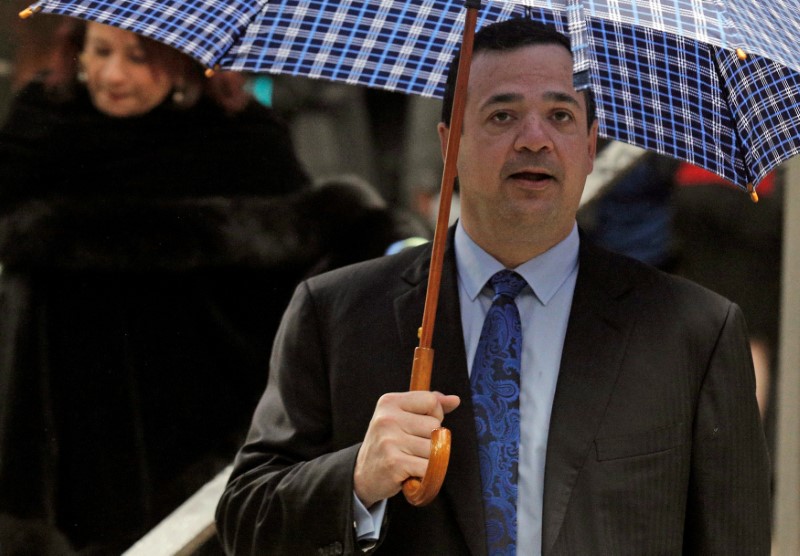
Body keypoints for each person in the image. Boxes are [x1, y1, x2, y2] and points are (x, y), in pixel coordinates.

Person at [215, 18, 771, 555]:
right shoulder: (334, 314)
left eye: (560, 114)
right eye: (502, 115)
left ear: (589, 143)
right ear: (448, 141)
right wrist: (357, 480)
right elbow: (245, 522)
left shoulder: (693, 331)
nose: (535, 139)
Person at [0, 19, 427, 555]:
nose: (112, 74)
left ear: (184, 62)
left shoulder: (239, 141)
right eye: (100, 51)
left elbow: (313, 246)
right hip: (60, 416)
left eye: (139, 57)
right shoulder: (38, 128)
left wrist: (389, 245)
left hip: (193, 412)